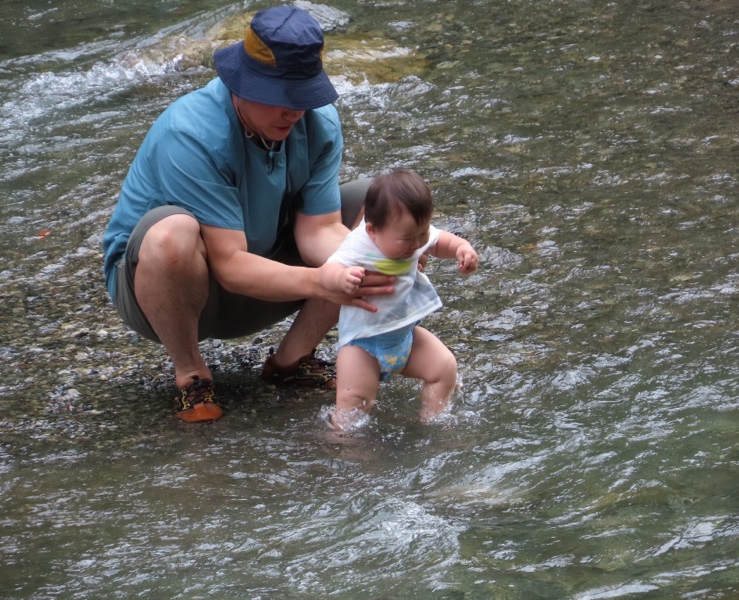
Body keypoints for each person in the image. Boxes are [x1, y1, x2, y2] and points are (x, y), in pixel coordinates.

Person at [102, 6, 395, 423]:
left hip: (260, 269)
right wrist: (324, 280)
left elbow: (320, 231)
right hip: (164, 289)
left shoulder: (317, 123)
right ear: (240, 84)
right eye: (281, 97)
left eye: (303, 96)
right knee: (173, 234)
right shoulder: (192, 133)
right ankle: (191, 376)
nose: (293, 112)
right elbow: (231, 265)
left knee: (381, 205)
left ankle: (290, 362)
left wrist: (376, 258)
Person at [319, 169, 479, 430]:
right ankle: (345, 451)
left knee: (444, 369)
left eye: (422, 233)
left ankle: (431, 422)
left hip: (405, 337)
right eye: (407, 239)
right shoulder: (359, 244)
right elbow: (327, 270)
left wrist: (462, 248)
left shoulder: (412, 233)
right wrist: (341, 278)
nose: (417, 244)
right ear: (372, 231)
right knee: (353, 408)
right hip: (363, 346)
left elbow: (440, 242)